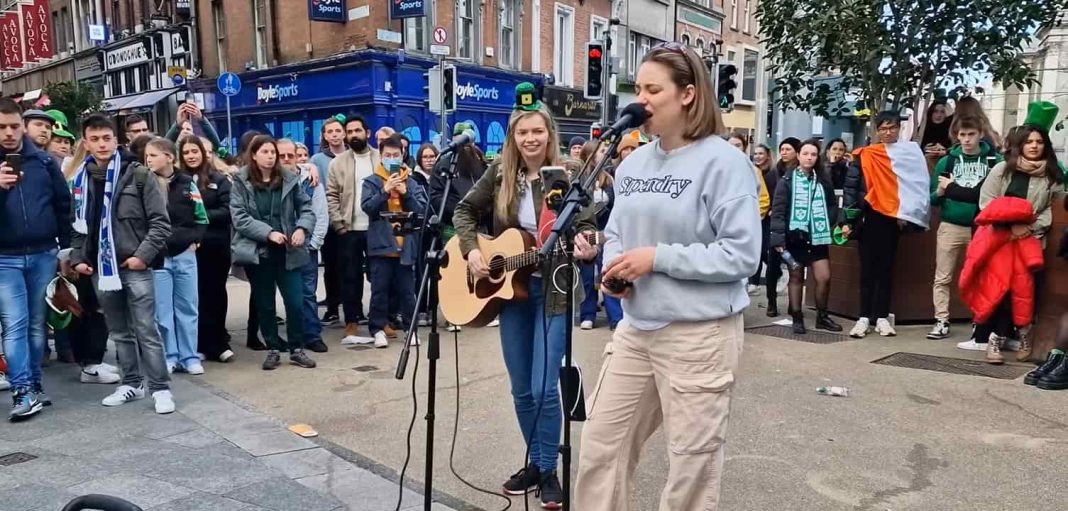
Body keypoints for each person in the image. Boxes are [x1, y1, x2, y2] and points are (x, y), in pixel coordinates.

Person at [574, 42, 760, 511]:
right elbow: (615, 229)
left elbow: (741, 256)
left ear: (688, 95)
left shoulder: (724, 162)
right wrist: (615, 266)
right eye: (638, 89)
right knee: (602, 446)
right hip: (637, 328)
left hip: (698, 334)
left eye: (653, 89)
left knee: (690, 467)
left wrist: (657, 258)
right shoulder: (633, 162)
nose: (641, 100)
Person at [452, 83, 597, 508]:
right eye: (522, 133)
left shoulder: (567, 175)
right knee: (520, 389)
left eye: (537, 132)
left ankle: (549, 469)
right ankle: (534, 462)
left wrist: (588, 243)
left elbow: (586, 227)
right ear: (512, 136)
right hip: (509, 292)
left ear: (549, 134)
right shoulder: (500, 173)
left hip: (554, 289)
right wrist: (473, 251)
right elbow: (463, 210)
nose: (530, 139)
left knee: (544, 388)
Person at [69, 114, 175, 414]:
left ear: (116, 140)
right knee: (119, 332)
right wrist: (77, 259)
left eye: (106, 138)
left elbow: (160, 223)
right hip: (100, 270)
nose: (102, 144)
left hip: (133, 265)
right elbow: (75, 227)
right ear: (86, 143)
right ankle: (130, 382)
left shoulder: (138, 174)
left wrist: (143, 255)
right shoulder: (80, 180)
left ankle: (160, 388)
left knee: (146, 329)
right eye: (95, 139)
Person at [0, 98, 73, 420]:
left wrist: (66, 250)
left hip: (44, 253)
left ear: (23, 126)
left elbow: (63, 205)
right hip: (5, 257)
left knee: (34, 325)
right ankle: (22, 389)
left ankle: (34, 385)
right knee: (13, 325)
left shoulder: (43, 162)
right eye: (1, 127)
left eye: (14, 126)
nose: (8, 133)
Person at [976, 121, 1063, 363]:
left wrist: (1031, 227)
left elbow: (1050, 210)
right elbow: (987, 203)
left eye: (1039, 142)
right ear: (1019, 145)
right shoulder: (1002, 170)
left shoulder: (1051, 174)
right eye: (1029, 141)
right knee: (1001, 291)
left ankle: (1024, 334)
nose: (1034, 146)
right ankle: (995, 339)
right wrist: (1010, 226)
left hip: (1031, 242)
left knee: (1026, 291)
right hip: (1001, 241)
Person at [839, 111, 931, 338]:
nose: (888, 132)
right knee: (867, 270)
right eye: (883, 128)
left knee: (886, 270)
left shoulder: (909, 155)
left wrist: (907, 215)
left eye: (892, 128)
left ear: (899, 129)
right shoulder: (865, 155)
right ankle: (863, 317)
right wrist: (847, 220)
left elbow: (916, 186)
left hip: (892, 219)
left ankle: (881, 317)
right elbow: (851, 190)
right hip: (867, 219)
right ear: (876, 131)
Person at [230, 135, 318, 370]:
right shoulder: (241, 181)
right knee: (265, 304)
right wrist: (268, 233)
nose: (270, 157)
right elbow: (239, 218)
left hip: (289, 250)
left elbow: (307, 208)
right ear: (254, 155)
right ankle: (272, 349)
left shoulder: (289, 178)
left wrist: (301, 228)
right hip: (259, 252)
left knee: (295, 302)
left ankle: (297, 348)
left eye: (273, 153)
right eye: (265, 152)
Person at [926, 116, 1001, 341]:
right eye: (962, 135)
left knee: (979, 276)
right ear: (956, 136)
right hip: (950, 225)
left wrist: (953, 189)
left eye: (971, 134)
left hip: (981, 227)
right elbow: (932, 198)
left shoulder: (993, 161)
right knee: (943, 276)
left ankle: (979, 322)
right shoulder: (947, 161)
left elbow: (995, 197)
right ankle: (941, 320)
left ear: (980, 134)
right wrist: (940, 193)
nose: (966, 140)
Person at [145, 137, 208, 375]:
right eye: (147, 156)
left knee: (188, 307)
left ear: (169, 157)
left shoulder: (187, 184)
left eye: (153, 155)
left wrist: (196, 240)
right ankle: (169, 355)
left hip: (184, 254)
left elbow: (201, 216)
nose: (148, 159)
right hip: (158, 256)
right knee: (163, 310)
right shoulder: (146, 183)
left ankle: (189, 356)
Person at [358, 134, 428, 348]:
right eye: (387, 155)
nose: (391, 159)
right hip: (381, 246)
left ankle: (410, 329)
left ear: (403, 155)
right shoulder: (372, 181)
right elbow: (367, 207)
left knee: (408, 291)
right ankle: (378, 328)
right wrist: (384, 191)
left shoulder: (413, 182)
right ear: (381, 156)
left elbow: (422, 211)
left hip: (405, 245)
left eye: (395, 155)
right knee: (379, 290)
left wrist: (405, 194)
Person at [770, 139, 842, 334]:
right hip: (795, 237)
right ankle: (797, 317)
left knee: (824, 276)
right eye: (805, 154)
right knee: (796, 277)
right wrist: (778, 239)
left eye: (813, 154)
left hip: (817, 237)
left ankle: (822, 316)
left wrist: (829, 220)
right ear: (799, 156)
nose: (809, 158)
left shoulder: (823, 180)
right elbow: (777, 211)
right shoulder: (787, 181)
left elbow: (832, 204)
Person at [179, 135, 234, 362]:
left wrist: (199, 216)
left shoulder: (219, 179)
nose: (192, 156)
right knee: (194, 298)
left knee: (216, 295)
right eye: (187, 152)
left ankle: (218, 343)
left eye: (195, 151)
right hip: (188, 249)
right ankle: (198, 343)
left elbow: (227, 211)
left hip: (216, 247)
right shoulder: (178, 180)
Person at [326, 115, 379, 344]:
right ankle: (352, 321)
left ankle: (380, 322)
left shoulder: (380, 159)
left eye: (358, 130)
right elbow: (331, 195)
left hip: (378, 228)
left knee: (380, 277)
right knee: (350, 278)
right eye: (350, 131)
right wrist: (338, 224)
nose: (353, 135)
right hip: (349, 229)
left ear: (367, 133)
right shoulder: (337, 163)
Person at [277, 138, 330, 353]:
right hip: (280, 244)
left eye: (292, 155)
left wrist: (314, 243)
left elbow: (320, 212)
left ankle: (312, 335)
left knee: (308, 293)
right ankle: (292, 337)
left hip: (306, 244)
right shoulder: (270, 180)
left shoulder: (310, 180)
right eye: (283, 156)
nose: (288, 159)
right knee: (290, 295)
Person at [576, 140, 620, 330]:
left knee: (608, 272)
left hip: (605, 233)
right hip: (587, 234)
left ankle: (616, 317)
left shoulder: (609, 179)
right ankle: (587, 314)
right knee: (587, 275)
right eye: (602, 151)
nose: (606, 154)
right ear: (591, 154)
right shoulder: (579, 180)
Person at [727, 133, 771, 295]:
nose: (734, 148)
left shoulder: (753, 170)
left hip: (745, 225)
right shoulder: (716, 167)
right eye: (731, 145)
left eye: (738, 145)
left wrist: (753, 218)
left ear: (744, 148)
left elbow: (763, 199)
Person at [764, 137, 801, 317]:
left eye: (788, 149)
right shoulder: (773, 173)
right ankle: (771, 301)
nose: (784, 152)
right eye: (782, 149)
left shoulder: (800, 173)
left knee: (794, 263)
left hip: (794, 225)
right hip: (776, 224)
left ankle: (793, 304)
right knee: (773, 265)